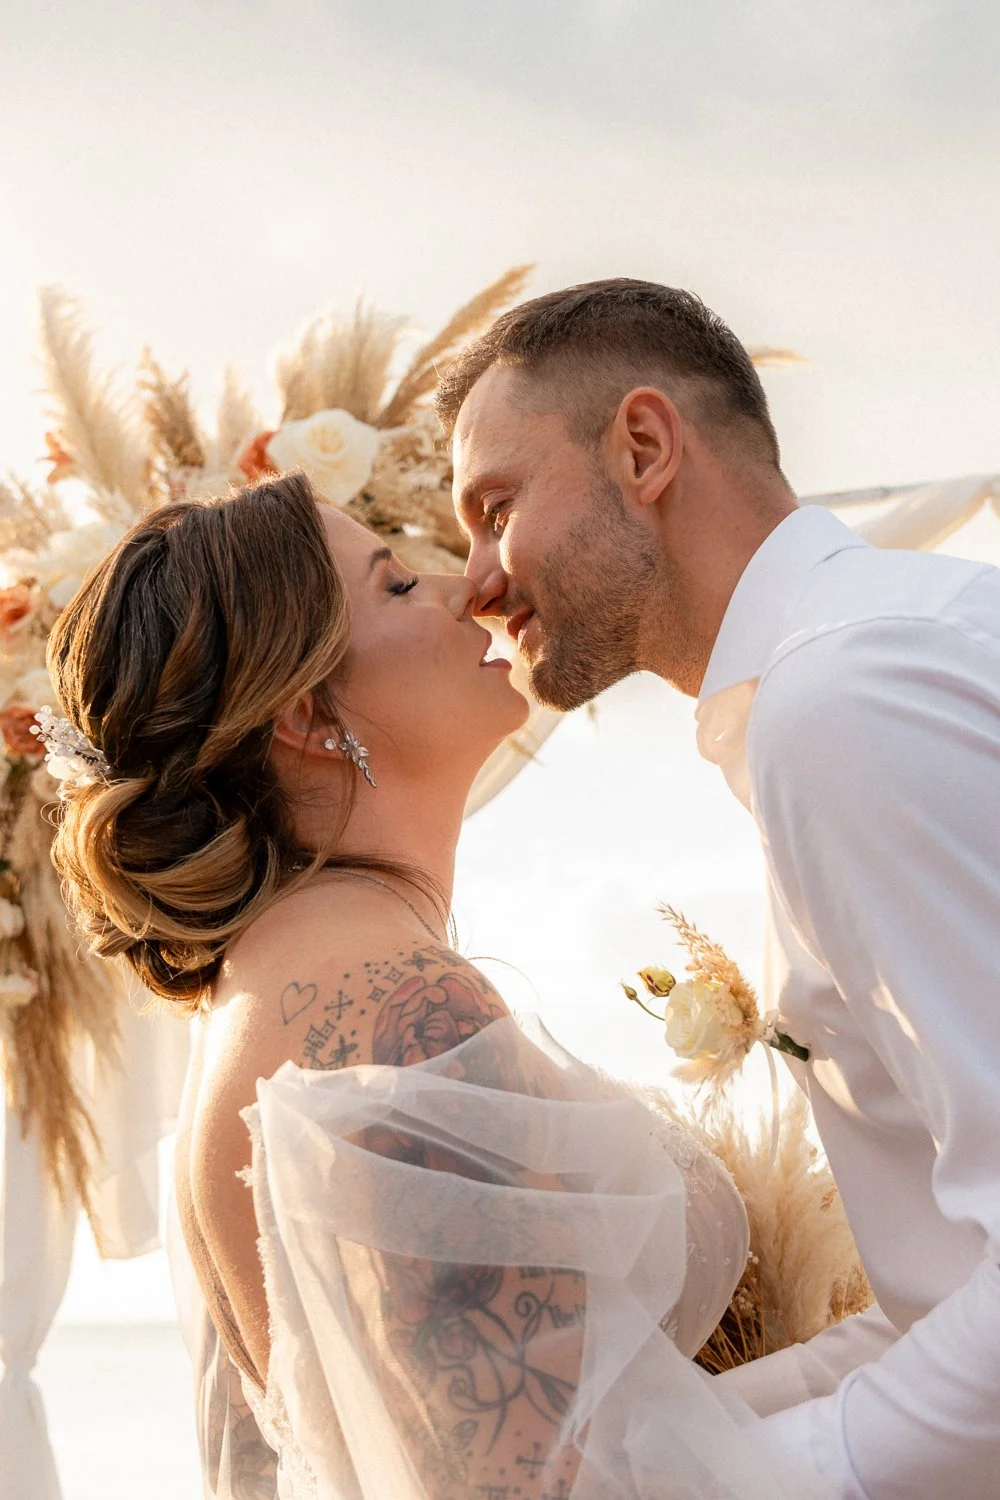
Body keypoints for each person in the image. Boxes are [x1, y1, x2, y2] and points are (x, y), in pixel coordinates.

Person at [41, 473, 829, 1500]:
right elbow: (532, 1482)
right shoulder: (398, 1008)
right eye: (400, 585)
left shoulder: (271, 984)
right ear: (307, 712)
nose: (467, 588)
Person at [439, 277, 1000, 1500]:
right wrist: (616, 1463)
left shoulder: (847, 705)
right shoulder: (873, 658)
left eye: (496, 507)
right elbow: (947, 1287)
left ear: (643, 446)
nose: (476, 580)